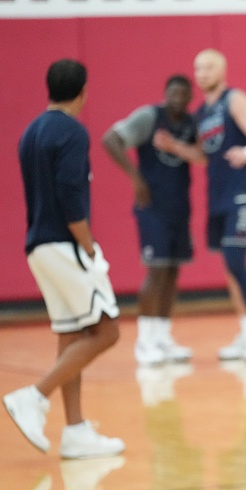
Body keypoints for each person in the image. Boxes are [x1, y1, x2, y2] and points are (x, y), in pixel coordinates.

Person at [4, 59, 124, 459]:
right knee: (108, 331)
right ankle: (34, 397)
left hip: (37, 245)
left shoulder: (30, 132)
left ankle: (75, 432)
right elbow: (71, 193)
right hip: (64, 243)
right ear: (84, 91)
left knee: (73, 334)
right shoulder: (72, 131)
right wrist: (87, 244)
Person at [179, 48, 246, 363]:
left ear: (222, 70)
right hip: (218, 195)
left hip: (242, 192)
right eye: (198, 68)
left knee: (237, 261)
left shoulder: (235, 100)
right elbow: (202, 155)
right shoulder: (201, 114)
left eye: (208, 67)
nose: (202, 73)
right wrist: (176, 148)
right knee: (229, 268)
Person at [103, 74, 202, 366]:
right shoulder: (149, 117)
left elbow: (202, 156)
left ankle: (162, 338)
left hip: (178, 206)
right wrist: (135, 179)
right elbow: (110, 139)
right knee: (155, 271)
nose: (178, 98)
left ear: (189, 97)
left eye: (184, 93)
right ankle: (145, 342)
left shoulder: (189, 124)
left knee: (172, 272)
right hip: (152, 207)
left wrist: (176, 147)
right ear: (165, 93)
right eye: (173, 92)